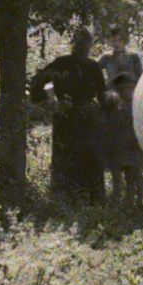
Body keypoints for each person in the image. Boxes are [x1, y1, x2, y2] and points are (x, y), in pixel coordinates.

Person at [28, 29, 109, 202]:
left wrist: (105, 114)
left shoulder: (93, 67)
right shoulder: (60, 64)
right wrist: (52, 103)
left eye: (85, 43)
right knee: (65, 159)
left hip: (88, 120)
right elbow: (36, 84)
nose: (81, 47)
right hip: (66, 118)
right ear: (73, 44)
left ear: (90, 46)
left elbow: (102, 95)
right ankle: (64, 200)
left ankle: (92, 200)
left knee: (91, 160)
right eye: (78, 42)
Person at [98, 32, 143, 203]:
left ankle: (139, 188)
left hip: (131, 95)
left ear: (123, 40)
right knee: (111, 133)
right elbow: (95, 72)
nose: (115, 42)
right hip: (113, 97)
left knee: (133, 140)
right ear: (108, 41)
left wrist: (138, 94)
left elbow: (141, 76)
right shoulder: (106, 58)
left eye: (118, 39)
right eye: (112, 40)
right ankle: (117, 186)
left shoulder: (133, 56)